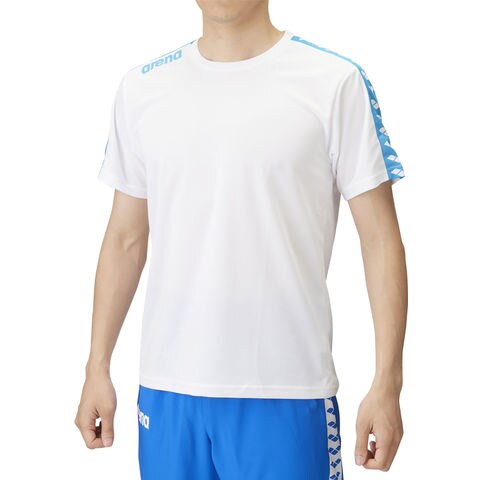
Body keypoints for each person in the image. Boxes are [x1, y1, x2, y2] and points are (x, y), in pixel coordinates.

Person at [74, 1, 407, 478]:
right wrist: (97, 366)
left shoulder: (334, 82)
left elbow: (380, 240)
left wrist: (387, 383)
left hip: (286, 392)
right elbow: (125, 238)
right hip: (168, 393)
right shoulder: (143, 88)